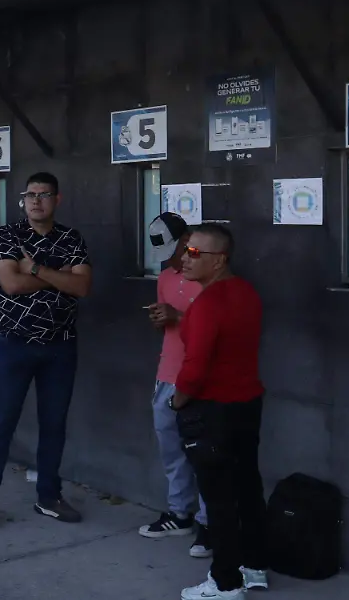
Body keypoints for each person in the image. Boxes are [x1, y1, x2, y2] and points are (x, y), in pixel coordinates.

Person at [0, 172, 92, 533]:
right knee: (0, 425)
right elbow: (10, 283)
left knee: (53, 425)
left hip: (60, 346)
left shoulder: (71, 238)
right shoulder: (8, 235)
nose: (36, 200)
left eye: (44, 194)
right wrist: (59, 276)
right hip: (14, 344)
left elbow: (82, 287)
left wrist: (35, 268)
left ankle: (49, 497)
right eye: (31, 195)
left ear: (57, 199)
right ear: (23, 200)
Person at [172, 224, 269, 600]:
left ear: (219, 261)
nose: (185, 258)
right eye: (186, 249)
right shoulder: (246, 292)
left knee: (220, 500)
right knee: (247, 487)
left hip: (212, 410)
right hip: (247, 404)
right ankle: (254, 567)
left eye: (195, 253)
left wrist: (177, 400)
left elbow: (195, 367)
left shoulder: (208, 303)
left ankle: (225, 582)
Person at [136, 213, 213, 555]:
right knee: (172, 450)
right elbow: (167, 328)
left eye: (174, 251)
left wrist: (178, 317)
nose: (171, 260)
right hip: (168, 374)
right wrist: (160, 319)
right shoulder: (166, 277)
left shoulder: (211, 278)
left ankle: (210, 524)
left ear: (187, 241)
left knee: (207, 454)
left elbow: (218, 330)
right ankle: (180, 513)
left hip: (204, 378)